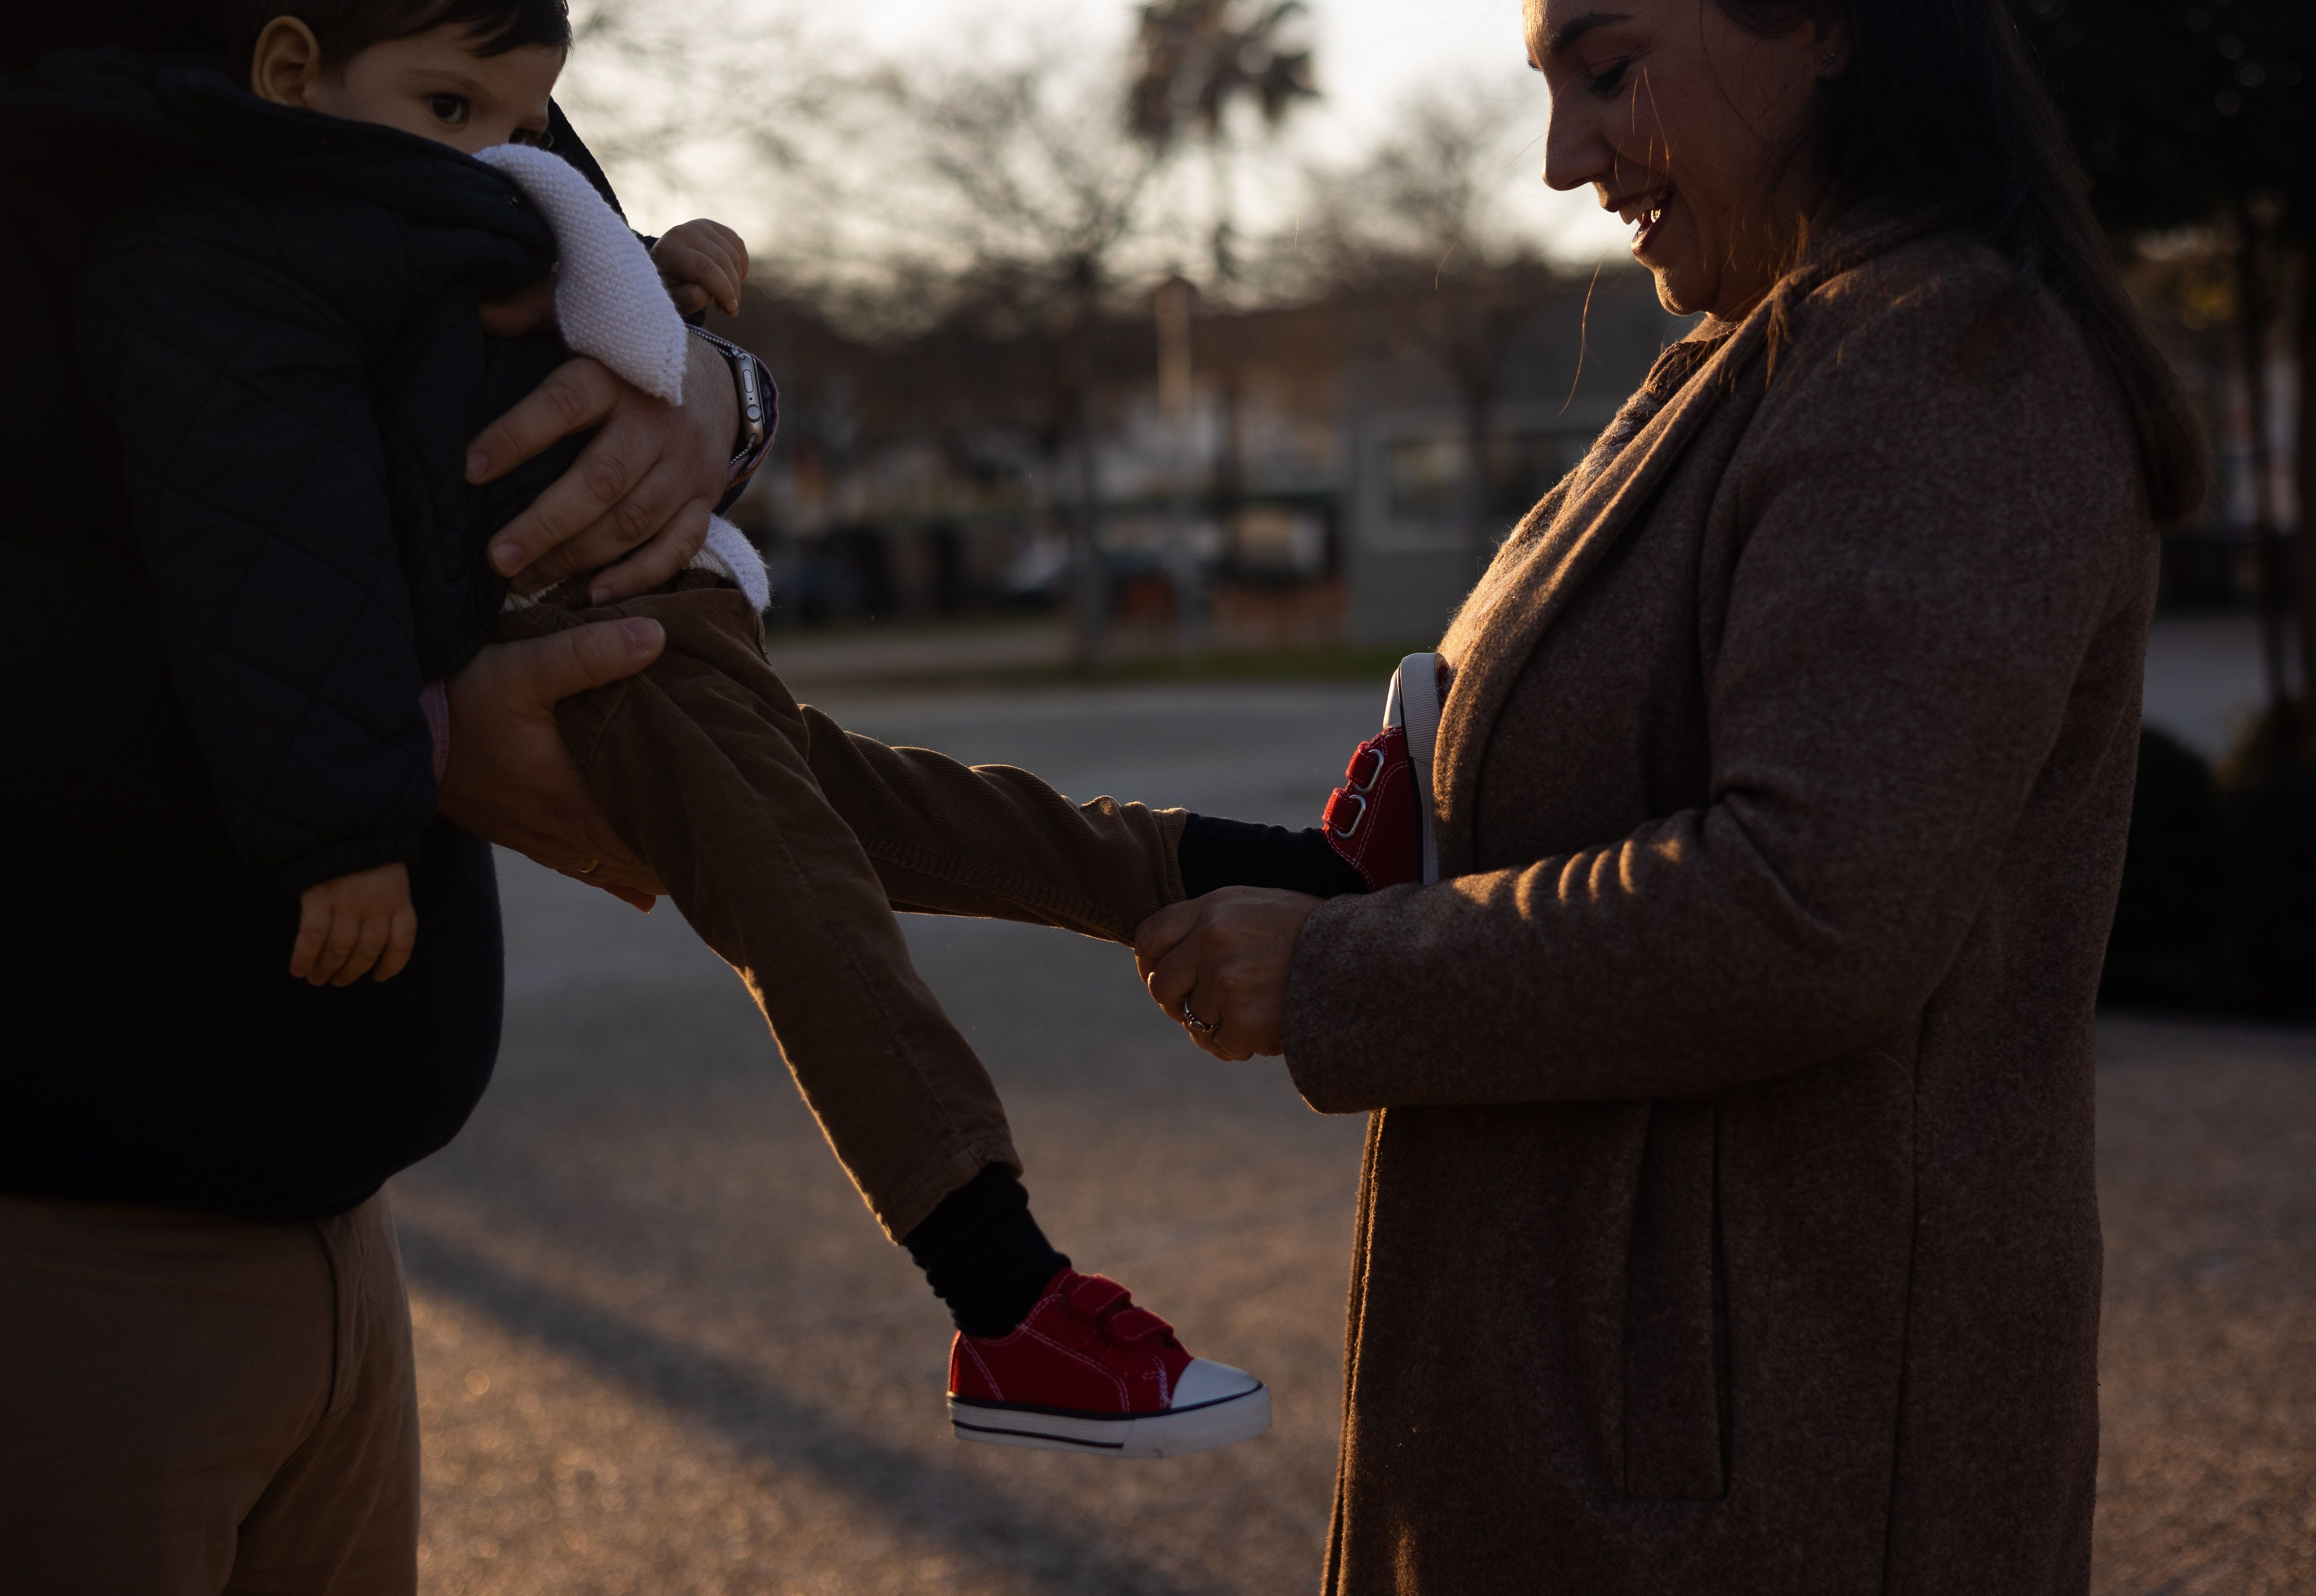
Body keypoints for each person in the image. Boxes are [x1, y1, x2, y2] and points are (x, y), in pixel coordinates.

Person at [575, 0, 2186, 1587]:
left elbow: (1815, 904)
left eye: (1610, 73)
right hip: (1631, 1436)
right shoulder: (1766, 355)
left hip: (1768, 1467)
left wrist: (1338, 969)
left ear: (1827, 25)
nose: (1564, 160)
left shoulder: (1941, 371)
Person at [37, 0, 1270, 1459]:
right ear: (294, 70)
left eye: (521, 117)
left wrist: (680, 293)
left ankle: (1278, 865)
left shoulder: (430, 177)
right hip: (582, 646)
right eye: (451, 110)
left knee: (904, 818)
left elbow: (578, 343)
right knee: (810, 911)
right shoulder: (248, 252)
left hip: (657, 615)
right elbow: (273, 567)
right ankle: (1007, 1298)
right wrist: (351, 828)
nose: (492, 149)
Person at [0, 0, 750, 1587]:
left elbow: (569, 292)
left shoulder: (402, 35)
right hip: (19, 1228)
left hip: (345, 1222)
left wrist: (720, 392)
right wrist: (408, 728)